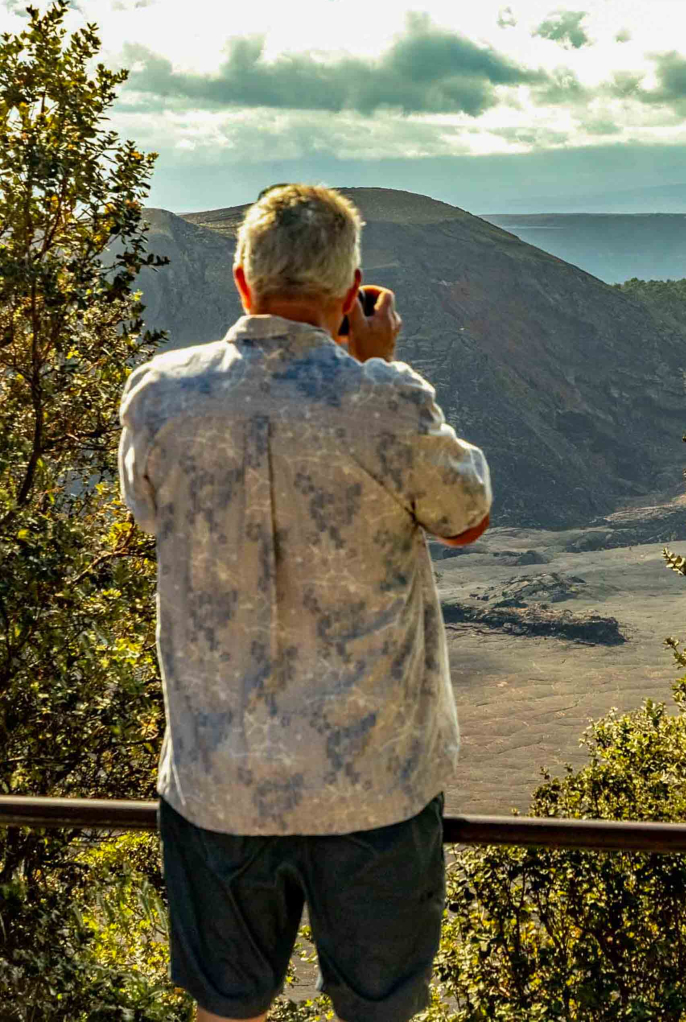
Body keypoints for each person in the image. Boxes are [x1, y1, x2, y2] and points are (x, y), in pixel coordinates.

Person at [118, 183, 492, 1022]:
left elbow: (147, 510)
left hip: (221, 779)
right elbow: (466, 519)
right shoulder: (385, 400)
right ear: (351, 291)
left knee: (226, 1008)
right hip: (378, 783)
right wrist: (380, 365)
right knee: (378, 1010)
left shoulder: (161, 397)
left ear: (243, 284)